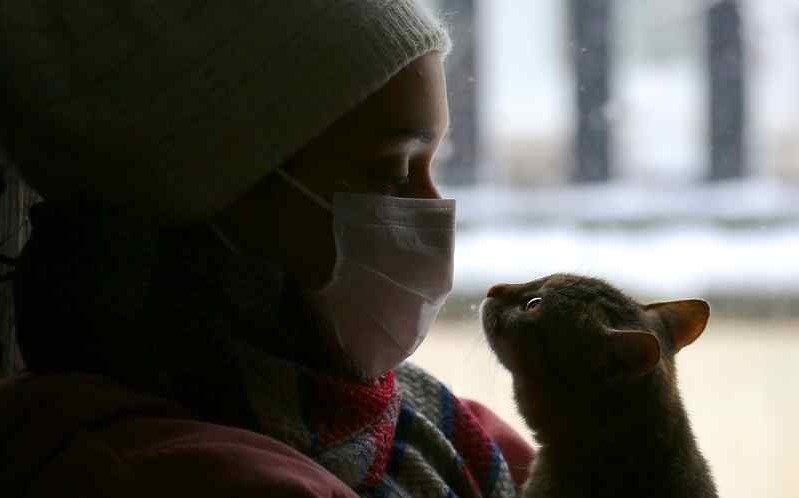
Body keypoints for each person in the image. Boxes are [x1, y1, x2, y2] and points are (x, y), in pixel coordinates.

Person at [0, 2, 534, 497]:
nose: (433, 209)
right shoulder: (182, 476)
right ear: (215, 191)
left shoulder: (397, 420)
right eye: (392, 172)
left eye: (434, 164)